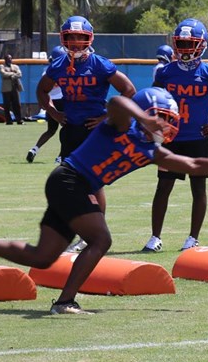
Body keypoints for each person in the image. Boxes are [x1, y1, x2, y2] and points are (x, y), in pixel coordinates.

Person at [0, 87, 208, 314]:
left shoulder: (151, 151)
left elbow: (193, 166)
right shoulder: (120, 124)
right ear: (146, 113)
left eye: (168, 120)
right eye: (161, 118)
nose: (166, 125)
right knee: (101, 239)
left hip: (72, 186)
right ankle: (65, 302)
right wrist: (143, 116)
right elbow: (116, 100)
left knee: (43, 257)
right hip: (69, 180)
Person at [37, 16, 136, 251]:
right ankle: (75, 230)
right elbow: (42, 90)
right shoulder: (59, 65)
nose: (75, 42)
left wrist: (106, 117)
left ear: (88, 39)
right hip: (71, 130)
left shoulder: (100, 64)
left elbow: (129, 90)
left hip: (94, 131)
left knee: (93, 183)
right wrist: (53, 112)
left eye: (80, 38)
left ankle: (95, 234)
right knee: (69, 183)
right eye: (70, 37)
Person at [144, 18, 208, 252]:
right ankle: (155, 237)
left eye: (190, 43)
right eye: (182, 43)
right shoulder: (165, 73)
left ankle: (193, 238)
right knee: (163, 187)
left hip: (197, 139)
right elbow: (153, 99)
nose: (185, 48)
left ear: (201, 44)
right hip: (171, 140)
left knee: (198, 189)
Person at [27, 46, 66, 164]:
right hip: (61, 101)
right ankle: (60, 156)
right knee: (67, 130)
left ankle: (34, 149)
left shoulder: (47, 70)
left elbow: (41, 89)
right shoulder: (63, 69)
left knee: (50, 130)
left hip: (49, 102)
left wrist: (42, 103)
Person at [0, 53, 23, 125]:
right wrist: (13, 74)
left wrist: (11, 74)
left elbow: (20, 74)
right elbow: (3, 74)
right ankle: (9, 121)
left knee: (17, 105)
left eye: (10, 58)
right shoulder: (2, 66)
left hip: (15, 88)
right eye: (8, 58)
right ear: (5, 59)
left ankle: (19, 120)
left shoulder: (15, 66)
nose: (10, 60)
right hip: (6, 89)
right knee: (7, 105)